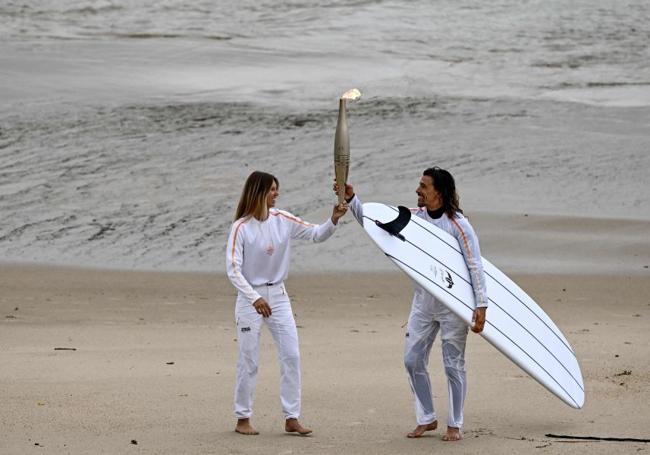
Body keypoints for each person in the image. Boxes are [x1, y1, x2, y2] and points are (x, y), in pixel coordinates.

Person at [337, 166, 487, 442]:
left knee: (453, 365)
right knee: (412, 360)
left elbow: (474, 264)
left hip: (453, 305)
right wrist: (352, 199)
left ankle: (454, 424)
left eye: (423, 186)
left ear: (438, 193)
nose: (418, 190)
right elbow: (375, 225)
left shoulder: (458, 225)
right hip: (423, 302)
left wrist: (481, 304)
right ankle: (427, 418)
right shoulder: (413, 218)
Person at [226, 170, 347, 436]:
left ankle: (292, 417)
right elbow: (233, 269)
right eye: (271, 190)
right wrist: (255, 297)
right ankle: (243, 418)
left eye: (276, 189)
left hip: (278, 297)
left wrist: (334, 220)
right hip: (250, 298)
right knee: (249, 359)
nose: (276, 194)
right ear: (258, 192)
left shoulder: (283, 219)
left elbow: (316, 234)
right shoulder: (241, 228)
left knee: (291, 355)